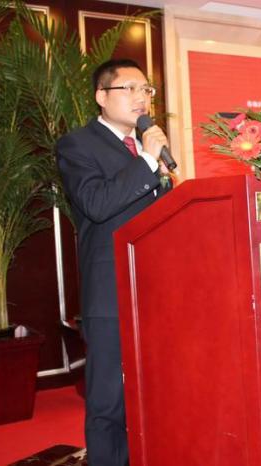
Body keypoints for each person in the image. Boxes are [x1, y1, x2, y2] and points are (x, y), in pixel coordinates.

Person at [56, 58, 173, 466]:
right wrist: (147, 163)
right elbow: (96, 203)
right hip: (110, 293)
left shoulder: (146, 148)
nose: (142, 97)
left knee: (154, 393)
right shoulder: (77, 145)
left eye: (147, 90)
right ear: (101, 97)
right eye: (130, 89)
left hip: (155, 290)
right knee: (109, 400)